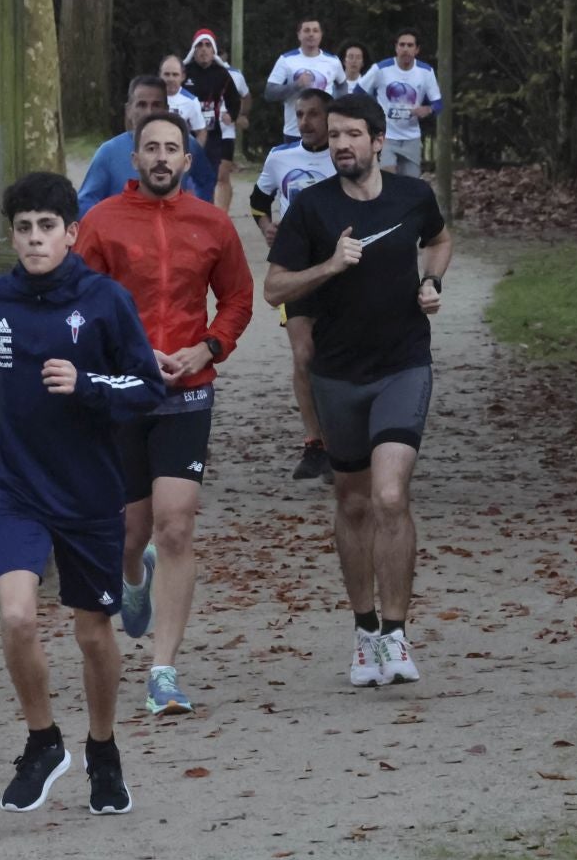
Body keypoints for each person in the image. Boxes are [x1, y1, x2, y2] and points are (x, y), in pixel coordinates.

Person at [0, 172, 165, 815]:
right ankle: (44, 741)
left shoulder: (104, 301)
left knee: (93, 634)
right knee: (16, 616)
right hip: (16, 486)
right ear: (10, 234)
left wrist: (89, 381)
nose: (35, 238)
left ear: (72, 234)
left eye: (48, 227)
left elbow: (148, 388)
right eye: (24, 228)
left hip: (92, 494)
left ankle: (103, 749)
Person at [264, 93, 452, 688]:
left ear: (377, 141)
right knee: (353, 502)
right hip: (337, 375)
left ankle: (396, 634)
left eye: (353, 135)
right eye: (335, 135)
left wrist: (431, 281)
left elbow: (440, 241)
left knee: (391, 497)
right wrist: (330, 267)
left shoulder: (413, 196)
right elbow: (274, 288)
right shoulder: (312, 209)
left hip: (402, 366)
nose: (341, 144)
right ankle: (365, 629)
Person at [78, 115, 253, 717]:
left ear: (186, 161)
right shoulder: (101, 224)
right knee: (132, 532)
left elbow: (237, 298)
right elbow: (81, 304)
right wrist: (127, 353)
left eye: (171, 149)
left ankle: (163, 670)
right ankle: (133, 576)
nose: (159, 157)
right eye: (149, 148)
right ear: (133, 159)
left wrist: (206, 347)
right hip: (124, 394)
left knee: (176, 525)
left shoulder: (212, 224)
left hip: (188, 389)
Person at [249, 88, 337, 480]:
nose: (305, 121)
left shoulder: (343, 156)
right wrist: (268, 227)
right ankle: (315, 443)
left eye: (314, 114)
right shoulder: (280, 158)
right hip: (295, 268)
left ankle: (344, 444)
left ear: (328, 117)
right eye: (300, 114)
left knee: (337, 355)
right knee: (304, 354)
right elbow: (256, 200)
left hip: (339, 268)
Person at [76, 76, 214, 217]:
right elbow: (86, 201)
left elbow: (206, 181)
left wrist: (196, 218)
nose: (148, 112)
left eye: (156, 105)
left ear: (166, 109)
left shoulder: (186, 144)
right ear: (129, 110)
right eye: (142, 105)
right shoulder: (109, 152)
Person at [357, 31, 443, 178]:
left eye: (410, 45)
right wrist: (373, 112)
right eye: (402, 45)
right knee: (387, 179)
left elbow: (438, 104)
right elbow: (358, 91)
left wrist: (428, 109)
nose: (405, 49)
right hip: (385, 135)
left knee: (410, 183)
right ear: (396, 48)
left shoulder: (426, 72)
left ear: (417, 50)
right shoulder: (381, 69)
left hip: (412, 137)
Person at [182, 29, 245, 213]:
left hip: (213, 133)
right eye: (200, 45)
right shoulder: (185, 71)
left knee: (210, 176)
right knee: (184, 172)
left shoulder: (222, 74)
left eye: (208, 45)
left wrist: (231, 116)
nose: (203, 50)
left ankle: (206, 212)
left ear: (213, 50)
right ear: (194, 49)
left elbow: (235, 99)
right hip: (187, 133)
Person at [263, 18, 347, 145]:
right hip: (295, 131)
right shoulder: (286, 60)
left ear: (321, 35)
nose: (311, 34)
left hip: (326, 129)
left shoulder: (333, 61)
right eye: (306, 30)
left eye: (315, 31)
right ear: (299, 35)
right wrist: (297, 85)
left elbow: (342, 84)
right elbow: (269, 93)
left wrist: (336, 104)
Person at [159, 53, 209, 148]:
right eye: (167, 74)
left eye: (175, 75)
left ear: (183, 76)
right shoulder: (150, 96)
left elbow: (201, 132)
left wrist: (193, 154)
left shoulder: (191, 101)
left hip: (177, 154)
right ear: (160, 75)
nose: (170, 79)